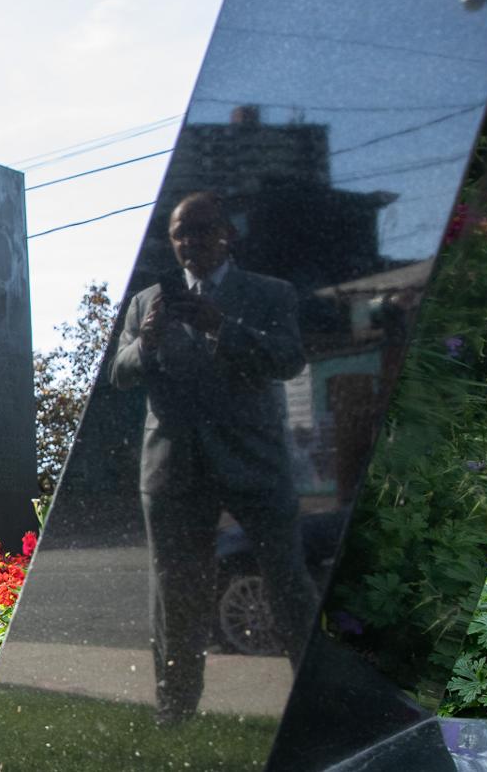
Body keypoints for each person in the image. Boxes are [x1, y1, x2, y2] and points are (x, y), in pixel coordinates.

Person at [108, 191, 316, 724]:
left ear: (228, 234)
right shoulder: (146, 302)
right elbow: (120, 372)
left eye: (200, 230)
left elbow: (289, 360)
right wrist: (147, 342)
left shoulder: (270, 294)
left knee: (290, 583)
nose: (189, 242)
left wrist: (220, 324)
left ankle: (317, 700)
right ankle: (175, 709)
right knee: (175, 595)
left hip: (254, 461)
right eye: (180, 232)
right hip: (174, 467)